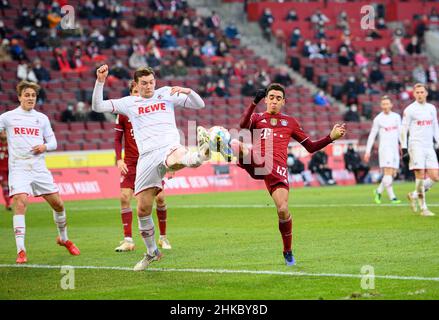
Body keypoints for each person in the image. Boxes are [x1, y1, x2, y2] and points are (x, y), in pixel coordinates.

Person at [92, 65, 224, 271]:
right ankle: (152, 252)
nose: (148, 86)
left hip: (168, 146)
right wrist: (100, 81)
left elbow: (200, 104)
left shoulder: (165, 94)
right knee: (143, 209)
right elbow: (98, 106)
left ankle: (201, 154)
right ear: (136, 85)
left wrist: (188, 91)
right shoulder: (129, 103)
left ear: (155, 81)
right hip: (146, 158)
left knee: (177, 156)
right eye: (143, 83)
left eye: (151, 82)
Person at [229, 84, 346, 266]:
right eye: (271, 97)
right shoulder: (258, 118)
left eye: (278, 98)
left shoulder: (290, 122)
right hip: (258, 162)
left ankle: (287, 251)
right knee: (236, 144)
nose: (274, 101)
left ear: (283, 102)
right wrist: (254, 102)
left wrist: (330, 137)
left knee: (283, 210)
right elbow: (242, 125)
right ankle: (221, 147)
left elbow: (311, 147)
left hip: (277, 170)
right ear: (266, 99)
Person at [0, 81, 80, 264]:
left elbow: (53, 143)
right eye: (26, 95)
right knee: (20, 202)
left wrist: (44, 146)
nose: (30, 98)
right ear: (19, 97)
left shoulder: (41, 118)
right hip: (19, 167)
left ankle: (64, 239)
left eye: (33, 96)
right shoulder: (8, 117)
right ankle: (21, 250)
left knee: (58, 205)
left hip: (39, 169)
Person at [114, 81, 172, 252]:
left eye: (137, 92)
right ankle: (128, 240)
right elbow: (118, 139)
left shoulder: (151, 110)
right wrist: (119, 159)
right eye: (133, 92)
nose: (135, 95)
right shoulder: (123, 114)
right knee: (124, 197)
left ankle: (163, 237)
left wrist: (168, 159)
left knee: (160, 199)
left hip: (152, 160)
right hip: (131, 162)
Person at [401, 83, 439, 216]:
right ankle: (424, 208)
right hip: (416, 146)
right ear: (414, 94)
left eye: (422, 92)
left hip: (429, 147)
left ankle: (414, 195)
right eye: (417, 92)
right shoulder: (410, 110)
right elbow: (403, 130)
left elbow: (435, 127)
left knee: (435, 176)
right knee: (420, 176)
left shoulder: (432, 108)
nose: (420, 94)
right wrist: (404, 149)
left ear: (426, 93)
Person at [364, 96, 402, 204]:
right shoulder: (378, 119)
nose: (385, 106)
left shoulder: (396, 117)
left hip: (394, 149)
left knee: (393, 174)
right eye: (383, 104)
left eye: (387, 104)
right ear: (381, 106)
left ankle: (378, 190)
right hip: (385, 149)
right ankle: (392, 197)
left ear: (391, 105)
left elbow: (400, 133)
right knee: (388, 173)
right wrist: (367, 151)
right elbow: (372, 136)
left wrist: (403, 146)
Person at [0, 130, 11, 210]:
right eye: (2, 133)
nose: (4, 134)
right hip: (1, 170)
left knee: (10, 187)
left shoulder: (11, 144)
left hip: (11, 169)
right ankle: (8, 204)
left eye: (5, 132)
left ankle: (9, 203)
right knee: (5, 186)